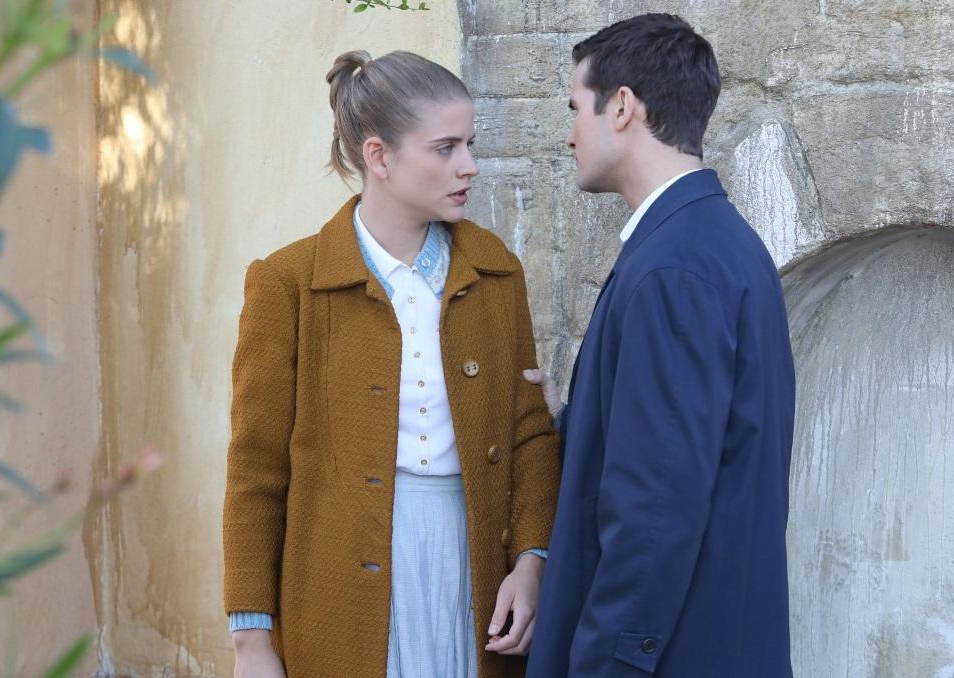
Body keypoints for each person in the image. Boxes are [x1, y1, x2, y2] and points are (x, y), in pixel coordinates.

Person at [223, 50, 561, 678]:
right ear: (379, 157)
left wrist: (533, 560)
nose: (469, 165)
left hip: (474, 567)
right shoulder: (287, 283)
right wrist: (251, 638)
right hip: (337, 586)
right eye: (445, 148)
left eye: (470, 144)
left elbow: (529, 435)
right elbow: (255, 468)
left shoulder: (496, 270)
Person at [524, 14, 796, 677]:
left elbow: (655, 509)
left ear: (622, 106)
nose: (569, 134)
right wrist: (574, 419)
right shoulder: (711, 243)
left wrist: (607, 664)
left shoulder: (677, 266)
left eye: (575, 109)